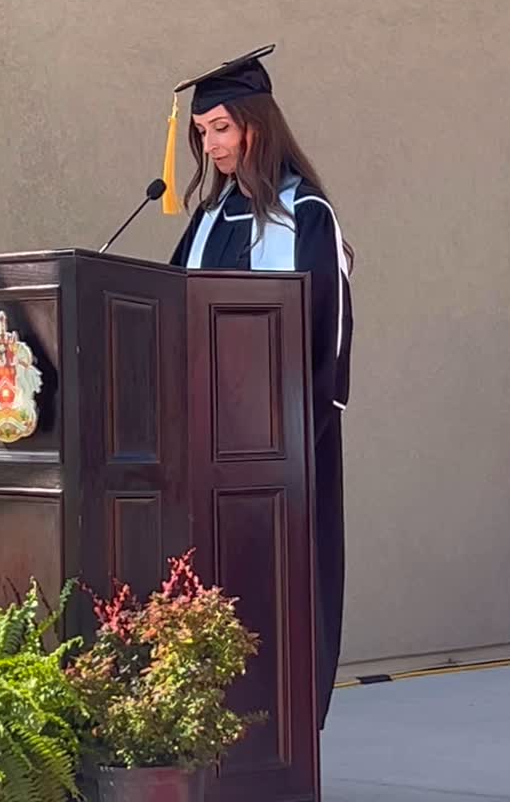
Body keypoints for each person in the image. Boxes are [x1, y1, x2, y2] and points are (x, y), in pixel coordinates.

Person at [164, 44, 354, 729]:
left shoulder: (307, 216)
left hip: (288, 453)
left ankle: (284, 740)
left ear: (255, 125)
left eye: (221, 127)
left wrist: (298, 442)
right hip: (205, 453)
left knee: (280, 598)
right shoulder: (208, 220)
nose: (210, 143)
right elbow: (165, 315)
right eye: (201, 131)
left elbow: (330, 345)